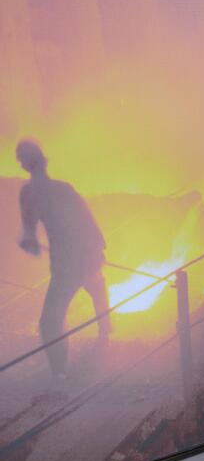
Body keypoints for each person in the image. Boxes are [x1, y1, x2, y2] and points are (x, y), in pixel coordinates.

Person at [15, 139, 110, 376]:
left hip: (73, 262)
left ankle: (62, 371)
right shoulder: (47, 191)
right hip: (73, 261)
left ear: (24, 164)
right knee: (94, 290)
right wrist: (97, 248)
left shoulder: (39, 192)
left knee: (51, 321)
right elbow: (32, 232)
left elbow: (84, 221)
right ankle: (102, 337)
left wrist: (96, 248)